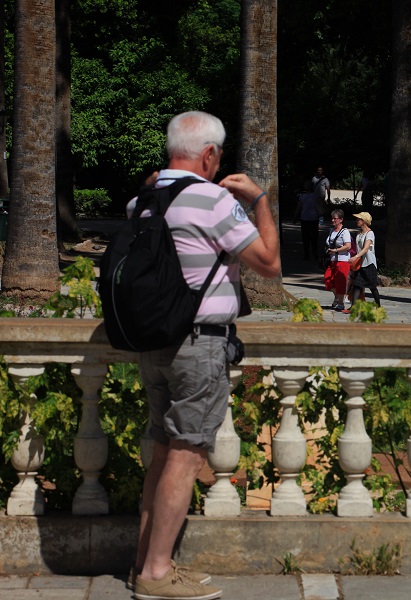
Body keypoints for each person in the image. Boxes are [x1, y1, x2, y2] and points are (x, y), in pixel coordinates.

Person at [130, 111, 280, 600]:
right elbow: (270, 264)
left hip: (152, 341)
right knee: (186, 453)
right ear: (210, 154)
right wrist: (258, 201)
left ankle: (149, 561)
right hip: (198, 344)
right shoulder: (213, 199)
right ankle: (155, 574)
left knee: (162, 451)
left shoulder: (142, 202)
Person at [345, 211, 380, 312]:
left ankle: (378, 306)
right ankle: (353, 307)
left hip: (369, 264)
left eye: (359, 219)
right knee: (357, 285)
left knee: (372, 287)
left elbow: (365, 249)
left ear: (364, 221)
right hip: (361, 264)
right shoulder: (359, 234)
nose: (357, 220)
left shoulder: (370, 233)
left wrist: (355, 257)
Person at [324, 209, 352, 311]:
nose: (332, 220)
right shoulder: (331, 230)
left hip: (342, 260)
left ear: (341, 220)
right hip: (332, 260)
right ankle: (337, 297)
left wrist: (336, 250)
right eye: (332, 218)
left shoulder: (345, 232)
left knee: (340, 282)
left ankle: (341, 303)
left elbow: (348, 246)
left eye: (335, 218)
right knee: (328, 280)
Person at [293, 183, 319, 260]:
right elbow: (320, 206)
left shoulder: (302, 196)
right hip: (314, 218)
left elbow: (298, 207)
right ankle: (314, 253)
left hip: (304, 218)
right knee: (314, 237)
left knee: (305, 237)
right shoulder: (315, 196)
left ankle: (306, 254)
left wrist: (295, 217)